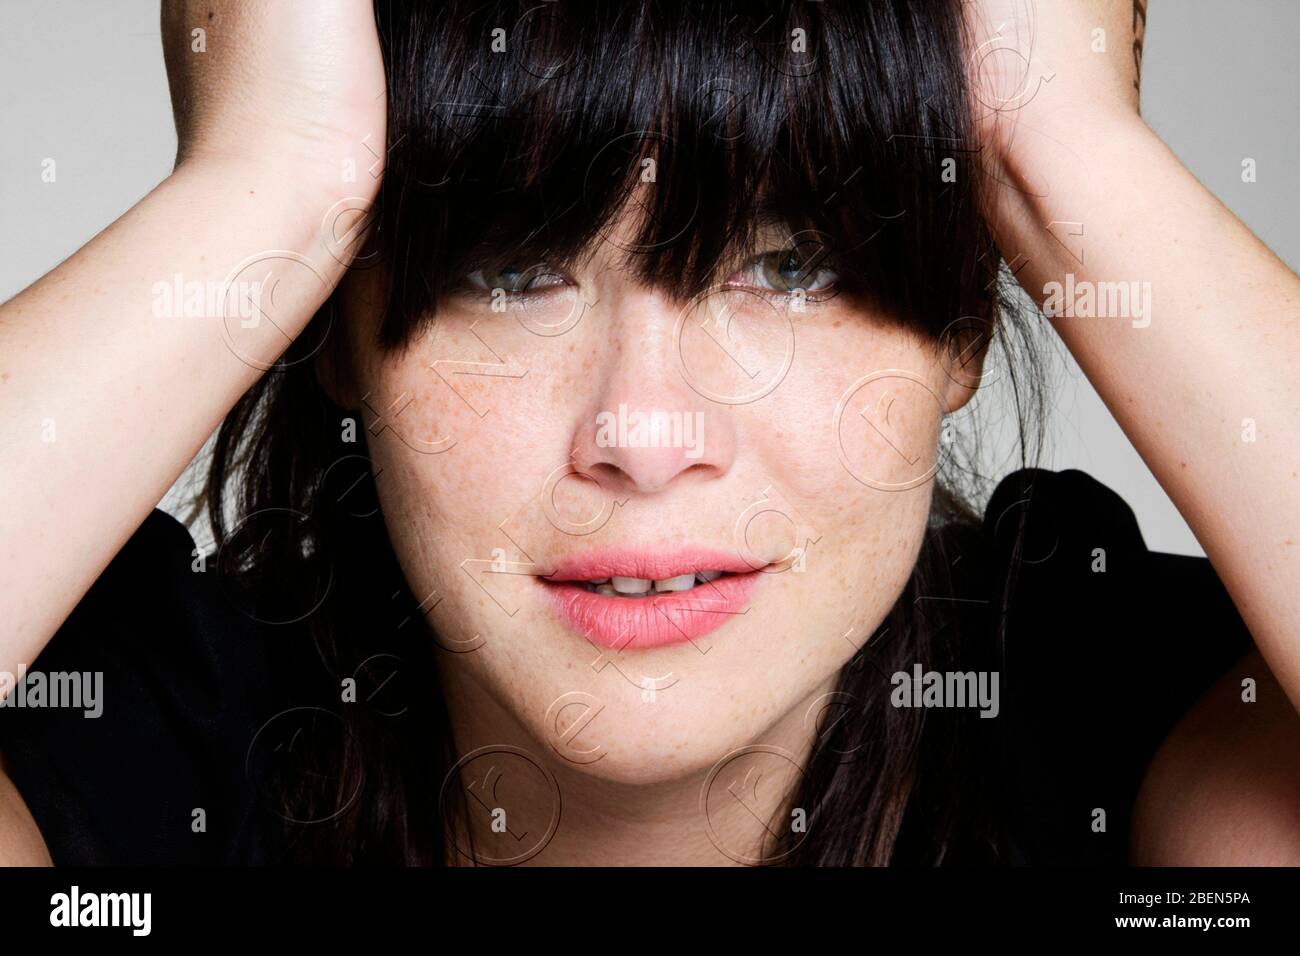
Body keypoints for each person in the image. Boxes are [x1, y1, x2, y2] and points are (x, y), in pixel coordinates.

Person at [0, 0, 1297, 867]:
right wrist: (271, 176)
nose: (644, 431)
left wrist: (1058, 146)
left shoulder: (1108, 723)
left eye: (790, 269)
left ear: (962, 326)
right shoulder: (151, 765)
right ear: (335, 321)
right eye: (510, 274)